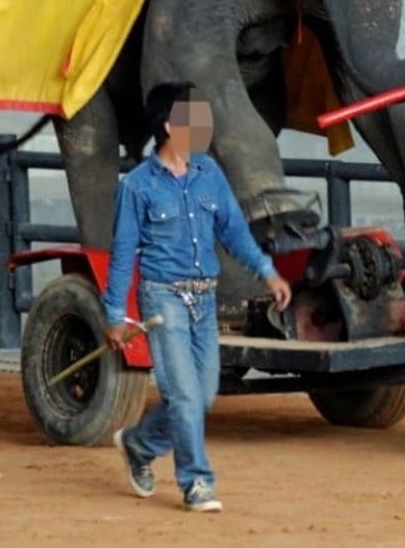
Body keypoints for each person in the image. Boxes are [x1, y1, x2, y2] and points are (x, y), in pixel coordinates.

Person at [103, 82, 292, 512]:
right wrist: (115, 312)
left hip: (203, 300)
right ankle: (197, 483)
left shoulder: (209, 173)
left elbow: (233, 230)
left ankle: (139, 443)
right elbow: (121, 254)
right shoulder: (136, 188)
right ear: (170, 126)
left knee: (201, 396)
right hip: (162, 299)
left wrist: (267, 272)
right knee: (185, 397)